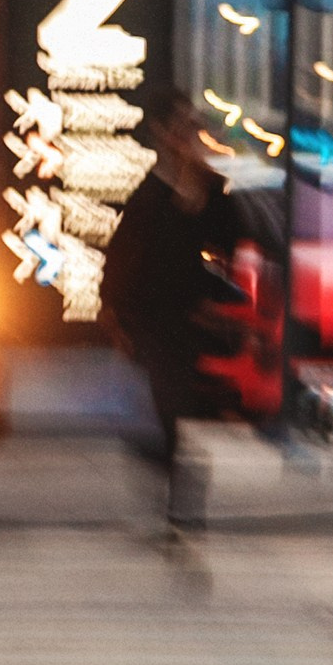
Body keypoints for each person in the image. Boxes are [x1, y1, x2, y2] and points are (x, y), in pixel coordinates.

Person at [99, 90, 257, 534]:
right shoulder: (149, 196)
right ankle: (180, 499)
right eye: (181, 127)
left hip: (190, 316)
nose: (189, 136)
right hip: (149, 317)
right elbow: (121, 260)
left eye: (193, 127)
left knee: (180, 408)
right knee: (168, 406)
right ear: (164, 135)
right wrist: (113, 314)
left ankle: (179, 496)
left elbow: (232, 238)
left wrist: (201, 198)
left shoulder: (210, 189)